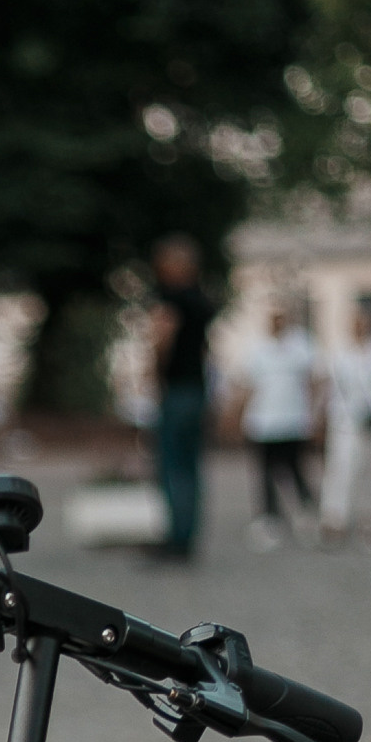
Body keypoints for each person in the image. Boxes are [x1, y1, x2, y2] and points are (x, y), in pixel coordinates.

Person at [235, 301, 321, 549]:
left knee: (296, 468)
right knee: (265, 472)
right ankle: (270, 518)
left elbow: (312, 382)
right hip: (264, 422)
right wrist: (239, 416)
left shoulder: (301, 345)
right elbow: (248, 385)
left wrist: (313, 416)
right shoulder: (257, 349)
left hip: (293, 421)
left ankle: (306, 512)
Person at [147, 234, 213, 559]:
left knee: (172, 465)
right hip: (197, 388)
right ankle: (187, 535)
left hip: (176, 389)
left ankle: (175, 538)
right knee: (191, 466)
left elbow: (162, 337)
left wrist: (155, 372)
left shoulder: (170, 299)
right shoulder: (202, 301)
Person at [319, 304, 371, 540]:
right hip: (345, 420)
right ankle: (334, 518)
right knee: (341, 468)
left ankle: (369, 519)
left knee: (370, 471)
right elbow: (331, 390)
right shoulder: (340, 353)